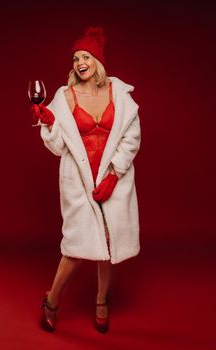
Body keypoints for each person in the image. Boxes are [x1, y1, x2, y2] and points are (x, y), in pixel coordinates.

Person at [31, 26, 141, 334]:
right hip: (80, 182)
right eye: (76, 57)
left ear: (97, 61)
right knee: (76, 248)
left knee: (108, 242)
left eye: (86, 56)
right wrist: (50, 123)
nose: (80, 61)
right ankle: (51, 300)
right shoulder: (63, 97)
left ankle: (101, 300)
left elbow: (132, 137)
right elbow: (56, 147)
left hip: (112, 181)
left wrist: (114, 174)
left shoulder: (118, 93)